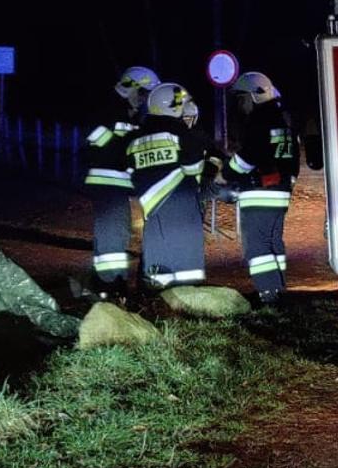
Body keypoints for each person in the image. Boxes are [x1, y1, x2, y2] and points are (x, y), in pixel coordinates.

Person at [127, 83, 217, 289]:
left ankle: (152, 296)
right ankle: (186, 303)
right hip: (182, 203)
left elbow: (131, 175)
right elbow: (194, 169)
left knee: (156, 257)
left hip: (151, 205)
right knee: (185, 263)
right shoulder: (181, 134)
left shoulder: (135, 139)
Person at [81, 66, 158, 296]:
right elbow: (99, 143)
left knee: (117, 232)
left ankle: (105, 282)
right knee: (113, 233)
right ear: (129, 88)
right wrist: (129, 148)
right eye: (143, 93)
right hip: (107, 182)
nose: (144, 100)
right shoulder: (108, 110)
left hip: (118, 184)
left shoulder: (128, 114)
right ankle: (110, 285)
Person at [225, 71, 298, 304]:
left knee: (256, 247)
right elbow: (292, 159)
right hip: (280, 193)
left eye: (242, 98)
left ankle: (267, 294)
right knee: (273, 242)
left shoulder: (258, 121)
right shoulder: (282, 120)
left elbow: (247, 159)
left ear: (254, 96)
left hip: (258, 194)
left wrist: (227, 172)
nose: (240, 104)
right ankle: (277, 289)